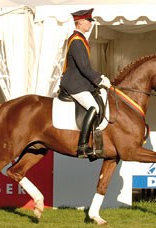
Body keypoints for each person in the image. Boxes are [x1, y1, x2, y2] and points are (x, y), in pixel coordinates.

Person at [60, 8, 111, 158]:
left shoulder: (81, 39)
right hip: (75, 83)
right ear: (80, 22)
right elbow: (84, 67)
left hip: (80, 81)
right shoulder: (76, 40)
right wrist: (99, 79)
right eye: (88, 21)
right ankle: (82, 146)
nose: (90, 23)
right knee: (94, 107)